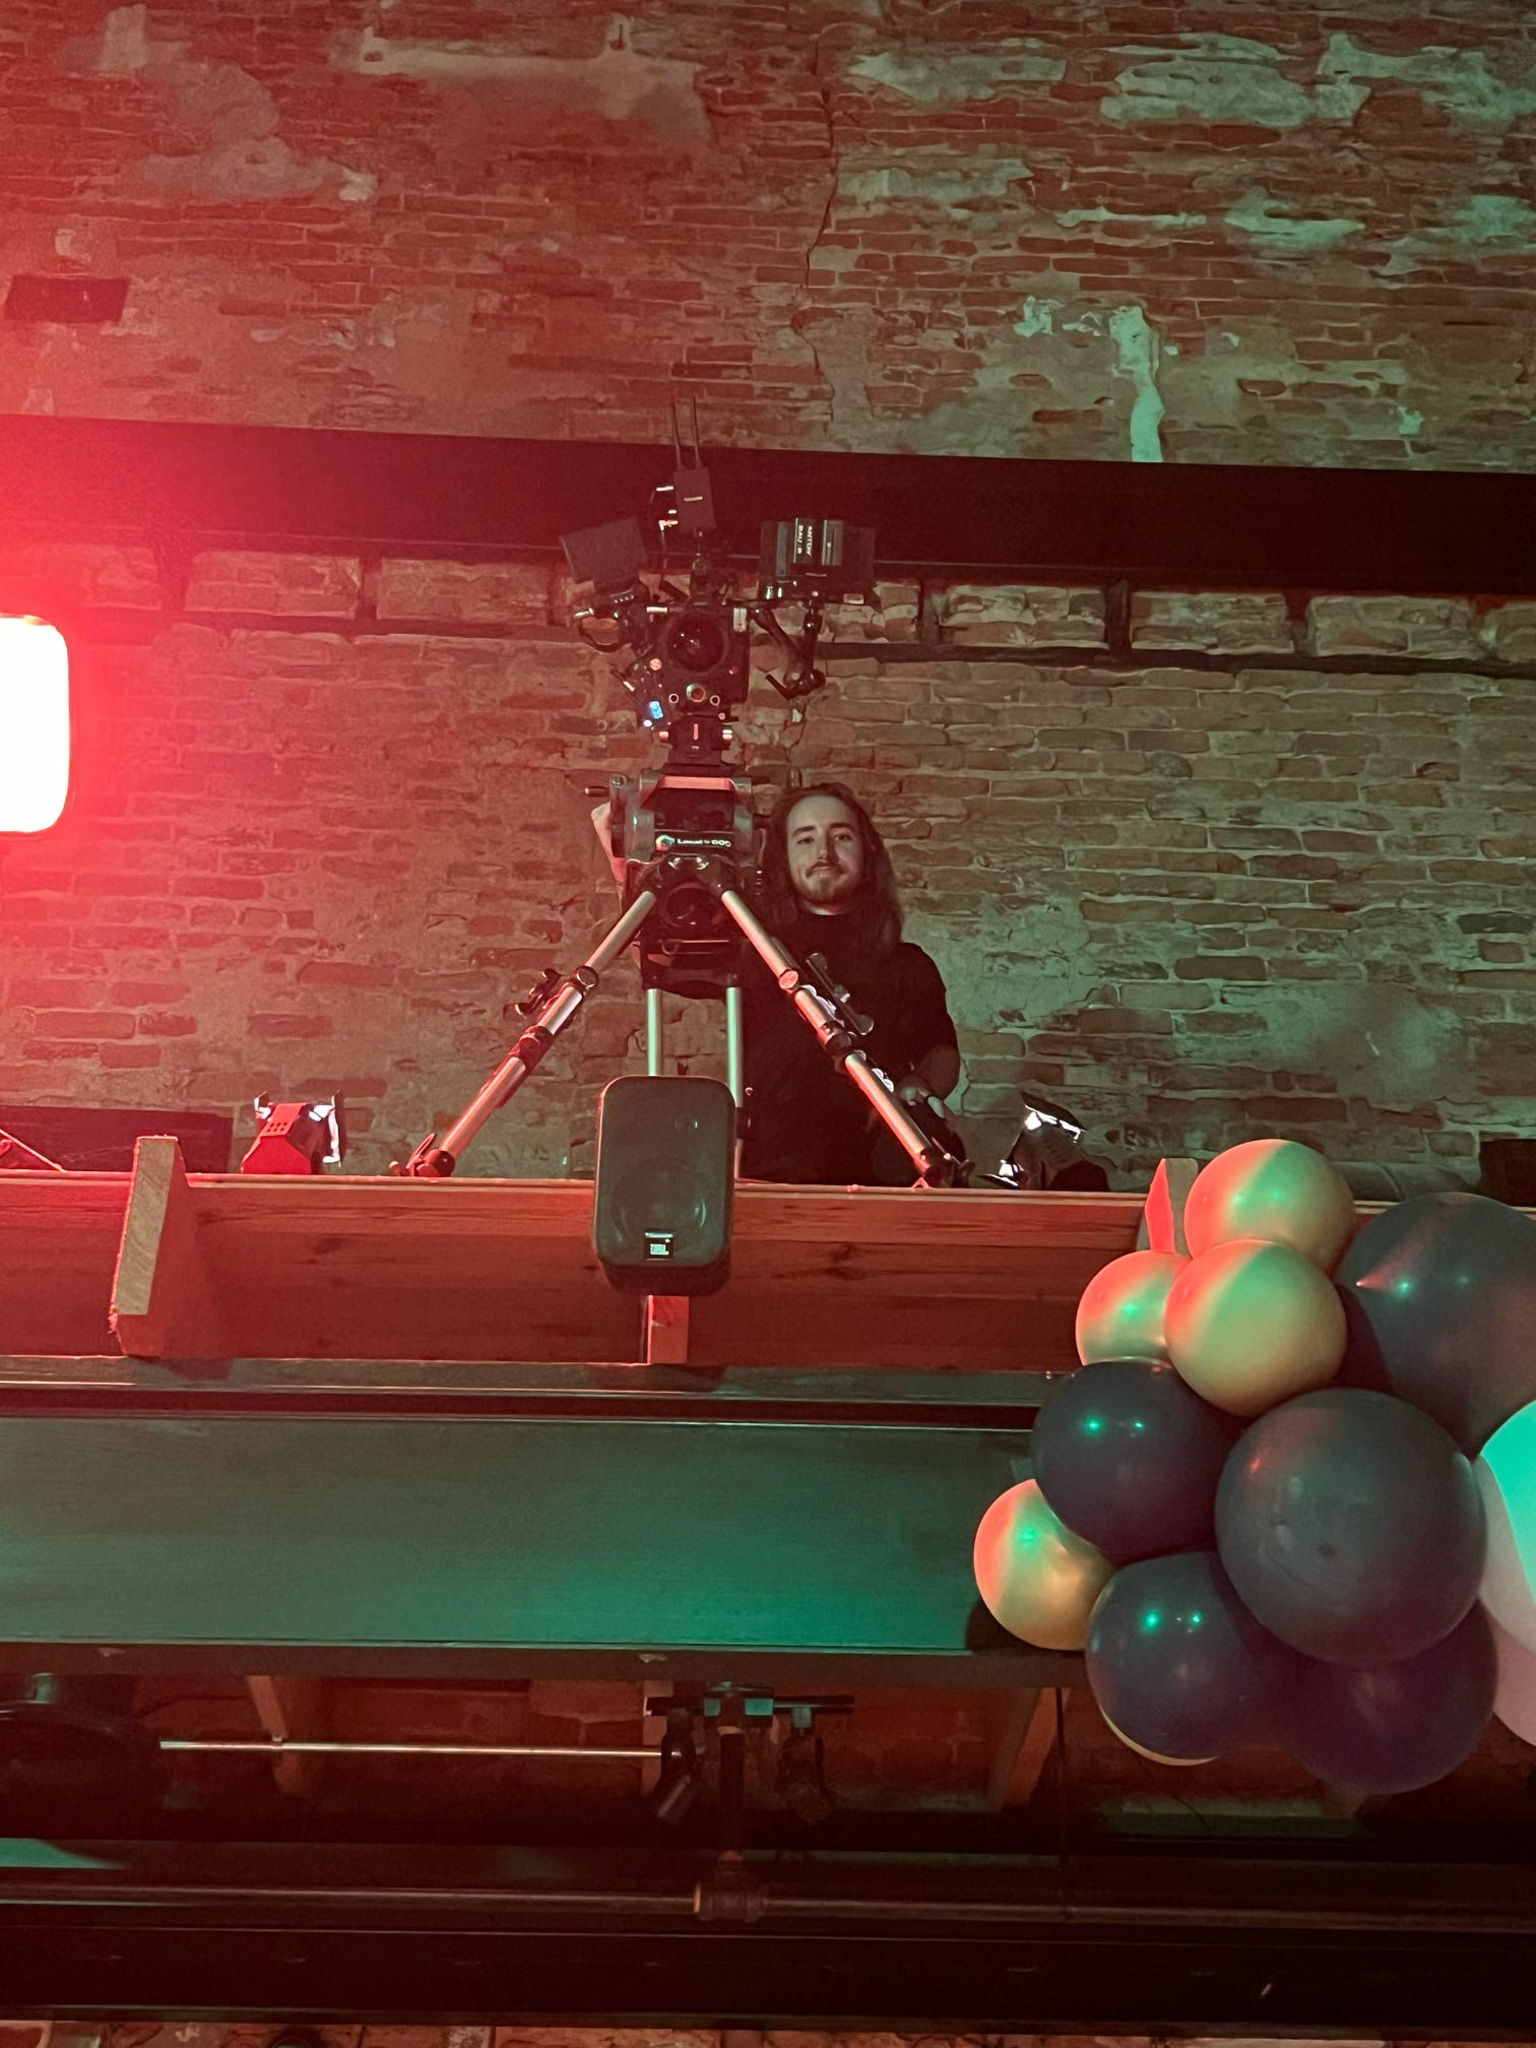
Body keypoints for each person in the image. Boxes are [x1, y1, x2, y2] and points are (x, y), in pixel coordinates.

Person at [737, 781, 960, 1185]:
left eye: (841, 836)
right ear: (783, 858)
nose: (824, 853)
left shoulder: (907, 963)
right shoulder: (754, 954)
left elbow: (941, 1050)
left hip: (883, 1176)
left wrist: (918, 1084)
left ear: (867, 852)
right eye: (805, 839)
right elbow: (659, 957)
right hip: (770, 1175)